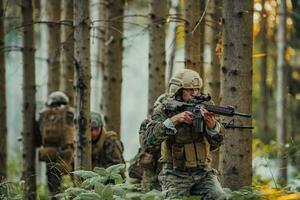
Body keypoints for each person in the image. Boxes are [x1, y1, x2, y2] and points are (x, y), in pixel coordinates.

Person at [145, 69, 227, 199]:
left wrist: (212, 126)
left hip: (203, 171)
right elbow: (150, 139)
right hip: (174, 173)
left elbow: (216, 144)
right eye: (190, 90)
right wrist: (175, 120)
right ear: (178, 90)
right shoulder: (165, 108)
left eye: (196, 89)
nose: (194, 93)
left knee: (220, 197)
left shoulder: (206, 106)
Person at [38, 91, 75, 198]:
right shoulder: (71, 113)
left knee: (54, 186)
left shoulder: (44, 115)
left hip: (50, 153)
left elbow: (38, 134)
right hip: (68, 153)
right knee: (76, 182)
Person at [90, 112, 125, 178]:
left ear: (101, 127)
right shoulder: (83, 142)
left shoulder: (110, 141)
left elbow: (116, 167)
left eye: (96, 129)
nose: (94, 133)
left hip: (110, 181)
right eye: (91, 129)